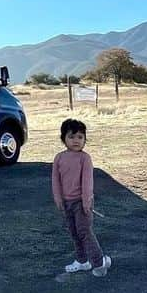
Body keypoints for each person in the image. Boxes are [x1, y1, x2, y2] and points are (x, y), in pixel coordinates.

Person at [52, 118, 111, 276]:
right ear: (63, 139)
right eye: (71, 137)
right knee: (73, 232)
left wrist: (86, 202)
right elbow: (55, 181)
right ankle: (82, 261)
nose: (76, 141)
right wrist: (58, 199)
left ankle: (99, 263)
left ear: (85, 139)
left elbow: (87, 182)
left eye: (80, 137)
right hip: (66, 203)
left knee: (84, 231)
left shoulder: (85, 158)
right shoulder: (59, 158)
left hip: (82, 203)